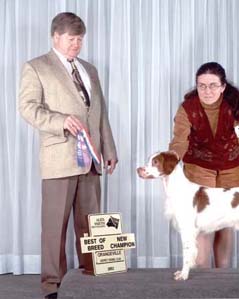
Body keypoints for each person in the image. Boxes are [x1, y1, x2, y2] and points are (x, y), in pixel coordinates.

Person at [19, 12, 118, 299]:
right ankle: (53, 286)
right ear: (56, 37)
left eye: (80, 39)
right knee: (55, 229)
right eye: (71, 39)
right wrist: (60, 120)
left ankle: (90, 280)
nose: (77, 45)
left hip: (91, 159)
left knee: (90, 224)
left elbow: (99, 114)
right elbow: (27, 108)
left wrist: (109, 148)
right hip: (59, 159)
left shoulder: (90, 69)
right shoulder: (36, 67)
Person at [169, 62, 239, 269]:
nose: (207, 91)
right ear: (196, 86)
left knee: (227, 221)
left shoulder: (238, 108)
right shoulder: (187, 109)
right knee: (203, 224)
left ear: (223, 87)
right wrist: (170, 161)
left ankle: (223, 275)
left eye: (212, 85)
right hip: (199, 167)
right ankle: (202, 273)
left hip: (232, 167)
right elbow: (179, 142)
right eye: (202, 85)